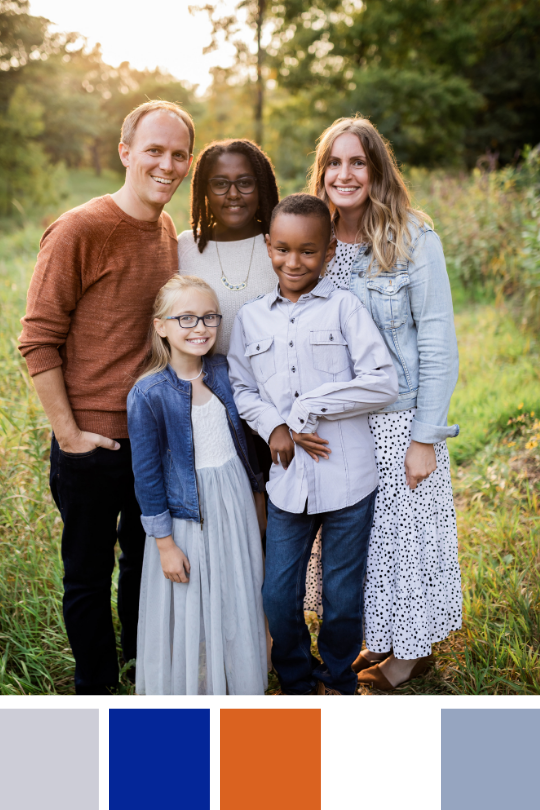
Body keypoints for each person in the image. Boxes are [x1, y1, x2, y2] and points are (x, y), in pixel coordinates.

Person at [18, 100, 195, 695]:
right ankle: (96, 692)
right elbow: (38, 340)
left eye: (177, 154)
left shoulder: (165, 228)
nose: (166, 165)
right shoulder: (80, 229)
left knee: (145, 568)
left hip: (154, 439)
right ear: (125, 152)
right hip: (93, 442)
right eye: (153, 150)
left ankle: (143, 676)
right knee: (89, 577)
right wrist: (69, 435)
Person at [308, 115, 462, 690]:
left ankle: (407, 654)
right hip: (337, 419)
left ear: (376, 169)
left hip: (397, 417)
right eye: (333, 162)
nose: (344, 175)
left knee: (402, 536)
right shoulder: (314, 238)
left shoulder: (412, 237)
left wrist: (426, 436)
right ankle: (377, 634)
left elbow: (437, 340)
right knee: (354, 539)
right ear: (321, 171)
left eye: (357, 162)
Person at [228, 194, 398, 695]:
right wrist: (274, 427)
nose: (293, 261)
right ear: (268, 247)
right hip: (288, 484)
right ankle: (297, 680)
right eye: (282, 249)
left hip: (349, 478)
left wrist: (309, 407)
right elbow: (242, 388)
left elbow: (382, 382)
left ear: (327, 253)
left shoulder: (346, 308)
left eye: (307, 251)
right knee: (279, 594)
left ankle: (338, 678)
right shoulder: (251, 318)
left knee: (342, 597)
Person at [127, 275, 267, 695]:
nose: (200, 327)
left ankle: (238, 683)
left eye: (208, 317)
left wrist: (257, 494)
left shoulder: (224, 371)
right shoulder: (148, 393)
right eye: (185, 317)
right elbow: (147, 474)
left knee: (236, 587)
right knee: (191, 601)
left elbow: (247, 442)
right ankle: (193, 689)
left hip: (235, 498)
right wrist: (164, 542)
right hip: (187, 513)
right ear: (161, 326)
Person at [178, 139, 280, 505]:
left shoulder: (281, 244)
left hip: (277, 412)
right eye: (220, 183)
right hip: (211, 414)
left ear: (261, 185)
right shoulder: (185, 248)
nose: (233, 194)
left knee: (279, 533)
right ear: (204, 189)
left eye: (245, 182)